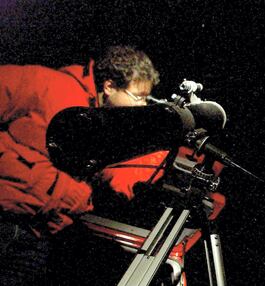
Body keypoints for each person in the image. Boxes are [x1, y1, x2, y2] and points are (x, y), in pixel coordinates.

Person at [0, 45, 169, 285]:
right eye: (138, 97)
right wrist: (20, 169)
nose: (142, 106)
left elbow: (117, 179)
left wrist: (160, 153)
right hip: (9, 222)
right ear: (109, 86)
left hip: (37, 235)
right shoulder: (47, 84)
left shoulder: (102, 123)